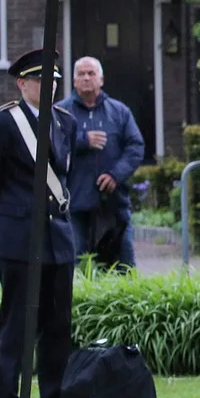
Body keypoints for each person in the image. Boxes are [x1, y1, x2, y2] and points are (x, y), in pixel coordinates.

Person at [0, 49, 77, 398]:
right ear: (23, 83)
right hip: (18, 239)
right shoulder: (3, 123)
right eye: (40, 81)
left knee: (57, 328)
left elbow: (65, 177)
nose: (48, 88)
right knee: (16, 329)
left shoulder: (64, 122)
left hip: (58, 241)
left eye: (54, 82)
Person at [58, 56, 145, 270]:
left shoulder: (119, 112)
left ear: (101, 79)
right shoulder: (60, 113)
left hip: (114, 204)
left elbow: (135, 147)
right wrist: (82, 141)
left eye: (91, 74)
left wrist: (116, 174)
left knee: (123, 267)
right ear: (74, 80)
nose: (86, 78)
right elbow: (50, 146)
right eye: (81, 74)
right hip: (75, 204)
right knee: (77, 267)